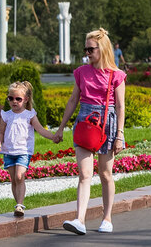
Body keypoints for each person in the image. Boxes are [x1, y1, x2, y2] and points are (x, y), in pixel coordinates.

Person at [55, 27, 126, 235]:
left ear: (102, 49)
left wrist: (120, 134)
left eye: (90, 49)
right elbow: (73, 100)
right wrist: (61, 127)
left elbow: (121, 106)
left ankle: (107, 218)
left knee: (105, 173)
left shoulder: (116, 75)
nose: (87, 53)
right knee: (85, 174)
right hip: (85, 121)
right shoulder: (81, 72)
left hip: (108, 123)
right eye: (85, 49)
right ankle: (80, 219)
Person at [0, 81, 56, 217]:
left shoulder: (29, 115)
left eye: (18, 99)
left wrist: (53, 137)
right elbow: (1, 132)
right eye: (11, 98)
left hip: (23, 151)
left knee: (19, 176)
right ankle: (18, 204)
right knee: (13, 179)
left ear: (26, 99)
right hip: (9, 151)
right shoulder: (6, 115)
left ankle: (20, 204)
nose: (14, 102)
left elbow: (40, 130)